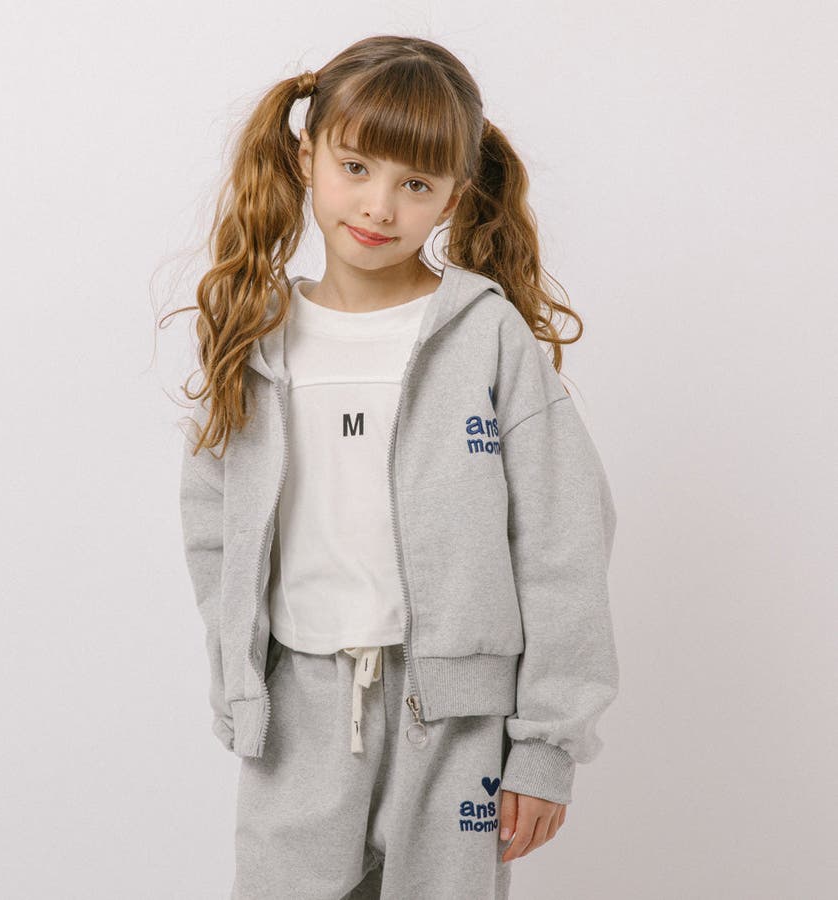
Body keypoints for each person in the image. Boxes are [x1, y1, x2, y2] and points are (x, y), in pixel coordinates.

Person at [175, 34, 619, 899]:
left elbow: (563, 540)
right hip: (298, 713)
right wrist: (241, 679)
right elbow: (212, 529)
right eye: (355, 167)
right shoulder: (256, 337)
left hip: (454, 721)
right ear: (306, 157)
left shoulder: (486, 336)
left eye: (416, 184)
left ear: (456, 193)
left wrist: (544, 744)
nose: (379, 206)